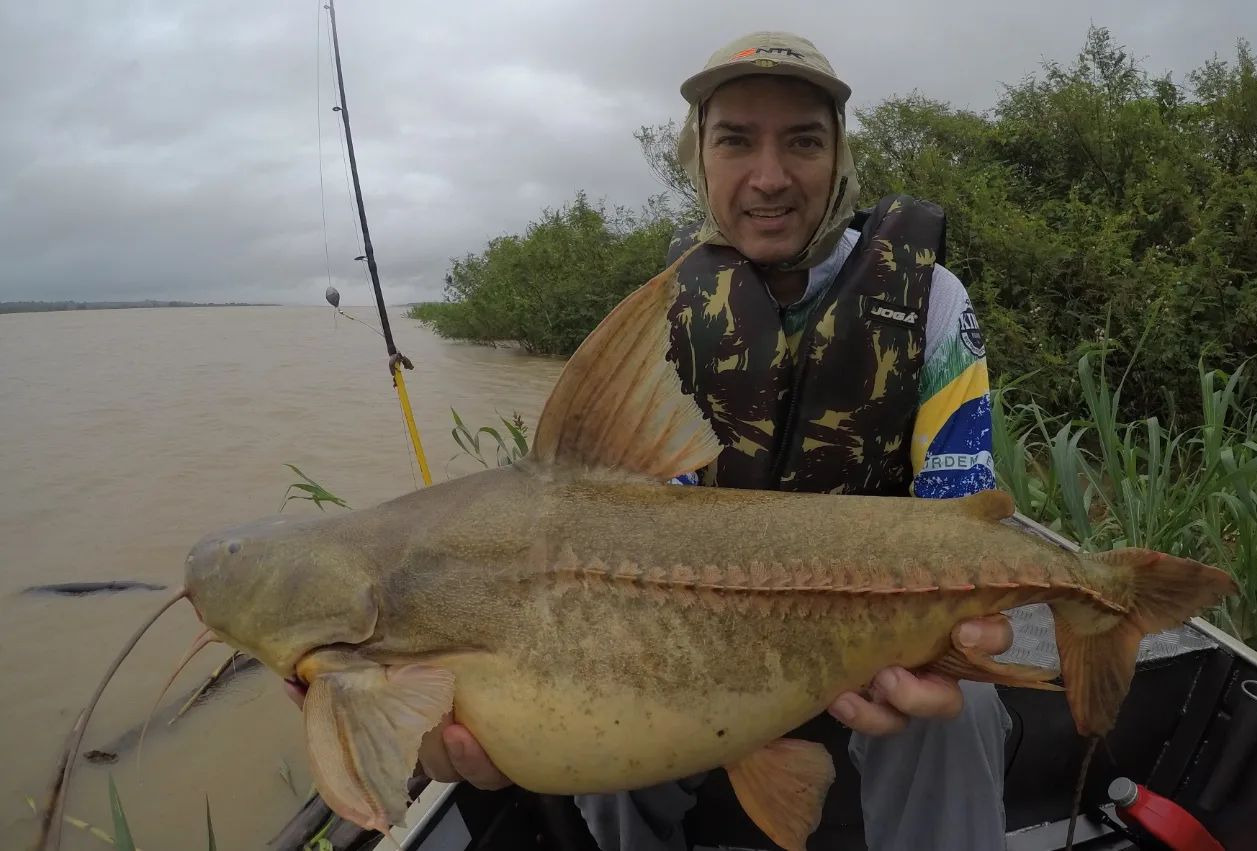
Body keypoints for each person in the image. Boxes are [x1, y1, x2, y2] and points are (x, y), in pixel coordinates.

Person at [287, 29, 1016, 851]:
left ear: (840, 157)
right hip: (701, 637)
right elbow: (629, 522)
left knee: (966, 713)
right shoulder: (666, 317)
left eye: (803, 142)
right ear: (698, 158)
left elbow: (963, 517)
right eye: (735, 140)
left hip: (880, 630)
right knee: (600, 738)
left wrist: (952, 636)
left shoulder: (929, 300)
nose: (769, 177)